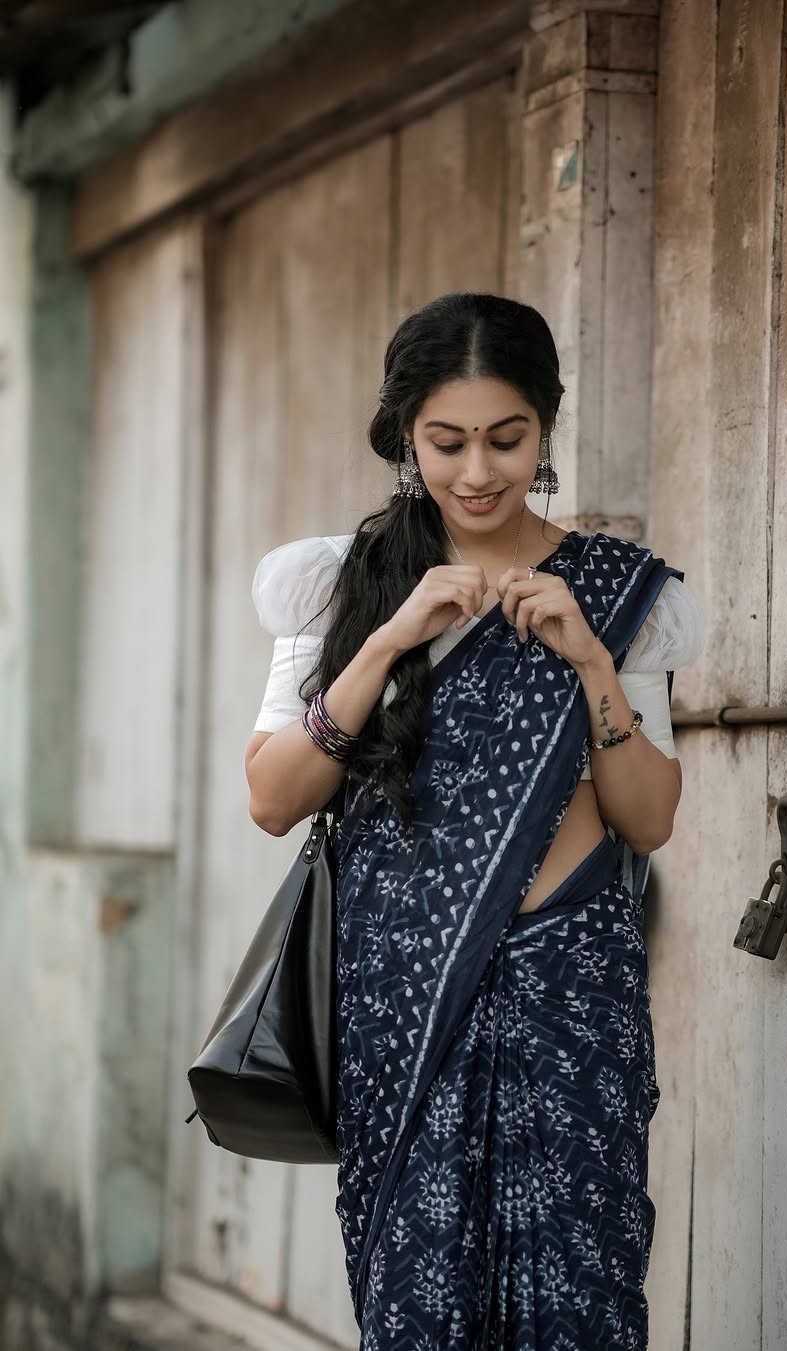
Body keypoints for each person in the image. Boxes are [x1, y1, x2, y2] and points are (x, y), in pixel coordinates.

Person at [245, 293, 703, 1349]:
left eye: (508, 439)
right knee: (421, 1299)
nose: (478, 471)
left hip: (570, 996)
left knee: (579, 1293)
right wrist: (387, 642)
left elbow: (651, 818)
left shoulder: (614, 592)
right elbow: (272, 798)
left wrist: (592, 661)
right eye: (447, 443)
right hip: (408, 999)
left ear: (545, 427)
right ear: (407, 433)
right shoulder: (341, 583)